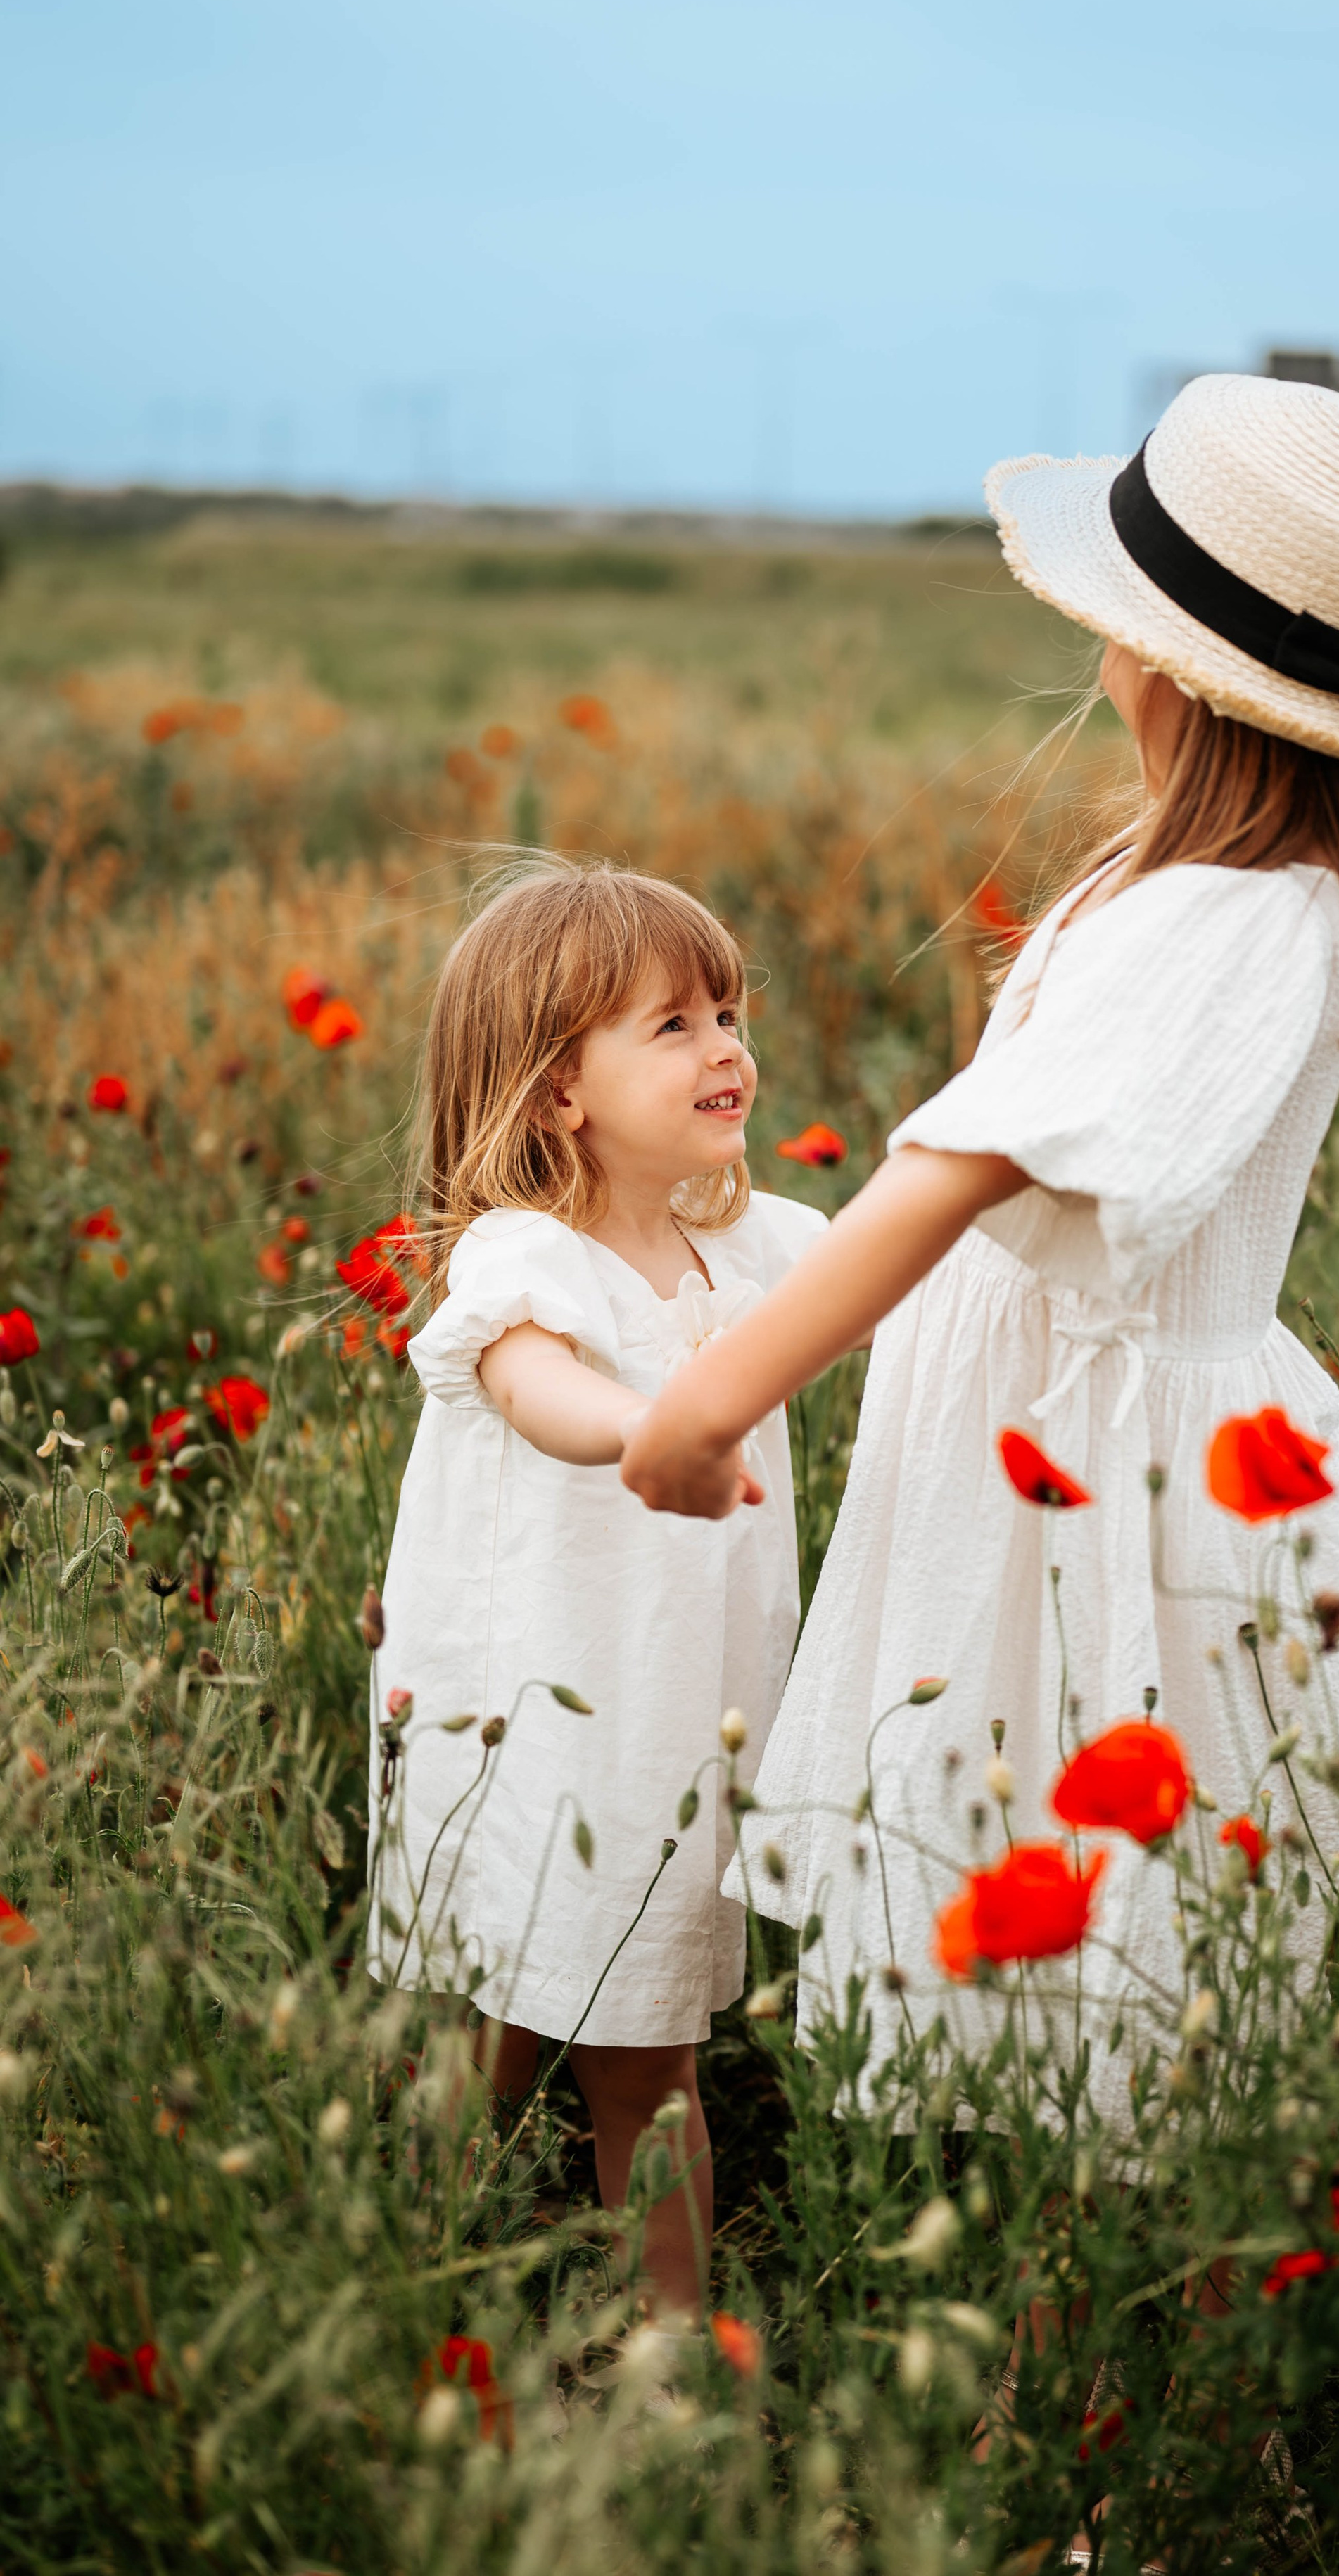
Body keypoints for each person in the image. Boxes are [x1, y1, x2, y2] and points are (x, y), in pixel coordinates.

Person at [620, 371, 1339, 2128]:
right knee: (1051, 1915)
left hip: (1106, 1476)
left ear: (1160, 669)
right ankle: (1054, 2337)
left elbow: (960, 1169)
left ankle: (1076, 2358)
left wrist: (709, 1402)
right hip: (1091, 1439)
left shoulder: (1225, 917)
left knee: (1109, 1956)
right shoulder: (1258, 885)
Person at [367, 862, 825, 2312]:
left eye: (728, 1013)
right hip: (545, 1725)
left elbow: (899, 1279)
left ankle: (669, 2360)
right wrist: (651, 1429)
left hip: (676, 1729)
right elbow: (537, 1388)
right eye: (674, 1025)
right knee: (506, 2025)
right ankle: (435, 2286)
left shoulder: (742, 1242)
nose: (725, 1049)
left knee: (650, 2046)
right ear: (559, 1091)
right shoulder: (523, 1257)